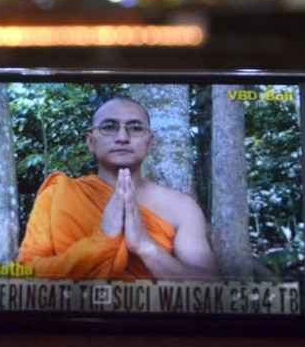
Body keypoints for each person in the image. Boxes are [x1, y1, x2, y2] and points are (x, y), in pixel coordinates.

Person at [16, 96, 219, 281]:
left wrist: (144, 245)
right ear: (90, 141)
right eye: (109, 127)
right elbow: (26, 274)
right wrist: (103, 239)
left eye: (135, 128)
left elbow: (210, 289)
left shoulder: (182, 207)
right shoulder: (57, 196)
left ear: (150, 142)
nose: (122, 137)